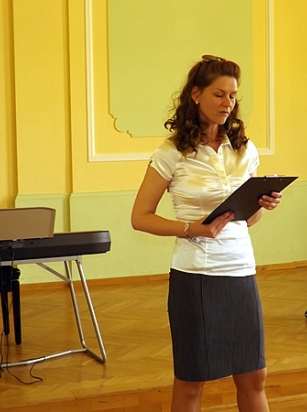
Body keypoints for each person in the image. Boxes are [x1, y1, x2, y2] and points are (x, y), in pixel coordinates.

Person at [130, 55, 282, 412]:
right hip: (196, 276)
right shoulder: (171, 152)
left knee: (254, 376)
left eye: (232, 95)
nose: (227, 103)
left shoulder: (244, 149)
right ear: (196, 95)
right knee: (191, 382)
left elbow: (249, 220)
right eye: (219, 94)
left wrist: (263, 202)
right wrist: (191, 229)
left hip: (241, 270)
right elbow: (140, 217)